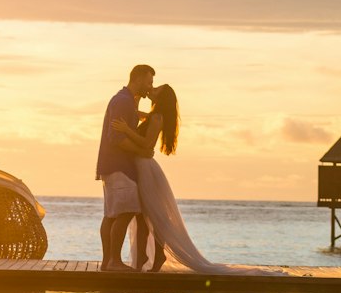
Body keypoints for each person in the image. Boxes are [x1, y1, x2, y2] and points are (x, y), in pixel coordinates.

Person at [112, 84, 276, 274]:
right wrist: (134, 107)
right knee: (142, 217)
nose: (152, 89)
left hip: (145, 168)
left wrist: (126, 129)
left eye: (156, 89)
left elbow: (148, 143)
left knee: (154, 216)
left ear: (162, 98)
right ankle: (143, 259)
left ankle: (156, 256)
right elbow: (141, 120)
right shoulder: (153, 115)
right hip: (140, 166)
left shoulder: (157, 117)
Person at [96, 64, 155, 270]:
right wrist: (141, 150)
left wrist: (140, 114)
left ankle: (107, 262)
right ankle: (114, 261)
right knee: (126, 211)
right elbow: (116, 137)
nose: (150, 87)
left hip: (111, 165)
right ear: (138, 78)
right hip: (119, 165)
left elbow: (125, 118)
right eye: (149, 82)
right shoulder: (122, 101)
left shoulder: (124, 100)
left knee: (112, 214)